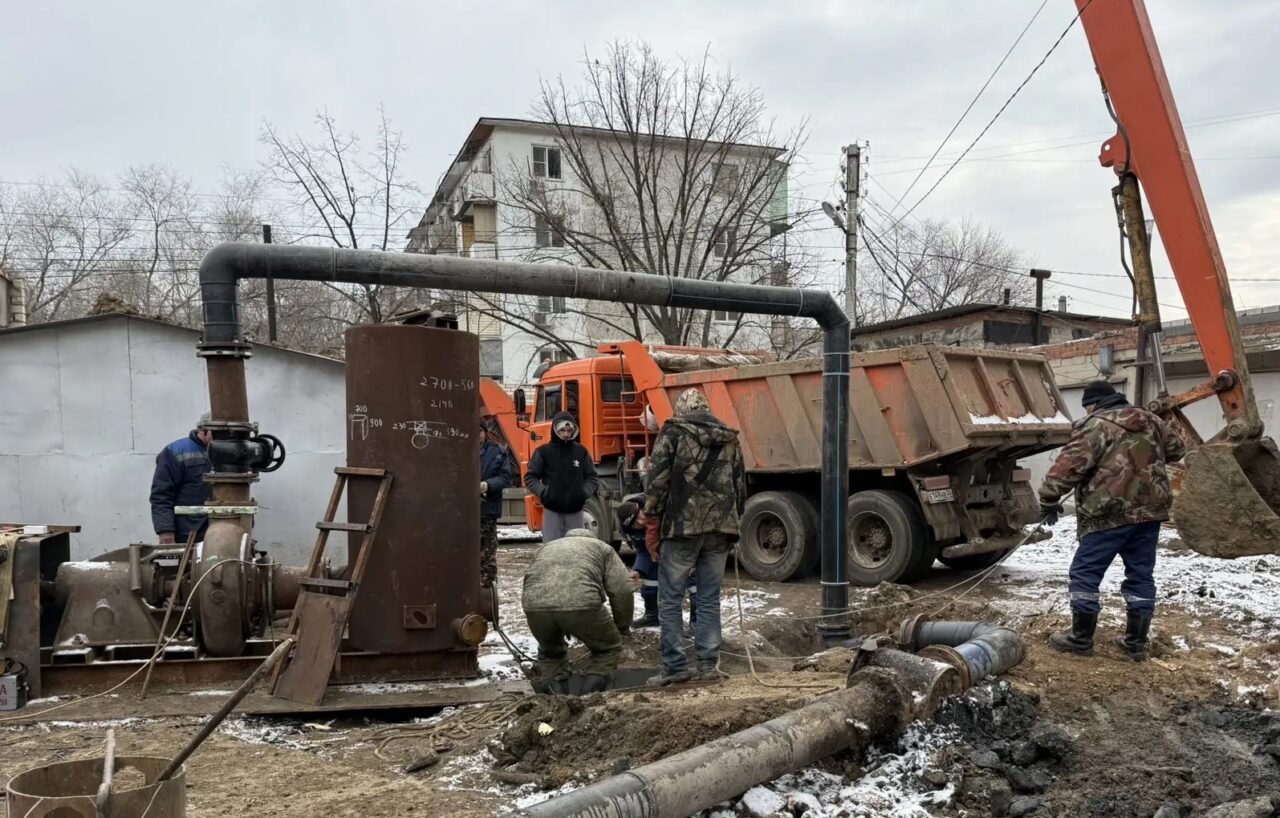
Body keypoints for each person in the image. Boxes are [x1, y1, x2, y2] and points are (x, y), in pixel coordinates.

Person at [1039, 380, 1186, 661]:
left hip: (1108, 513)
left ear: (1092, 404)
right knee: (1140, 575)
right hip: (1149, 512)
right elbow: (1178, 449)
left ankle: (1080, 639)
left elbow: (1067, 467)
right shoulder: (1152, 420)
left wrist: (1048, 499)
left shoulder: (1095, 425)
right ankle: (1135, 643)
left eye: (1087, 406)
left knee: (1085, 573)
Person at [643, 388, 747, 686]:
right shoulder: (729, 438)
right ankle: (707, 666)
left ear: (681, 410)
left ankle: (675, 666)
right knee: (708, 598)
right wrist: (733, 522)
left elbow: (657, 482)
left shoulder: (673, 432)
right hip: (720, 528)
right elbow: (740, 485)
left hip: (682, 528)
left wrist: (652, 523)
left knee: (671, 599)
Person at [521, 528, 634, 695]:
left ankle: (557, 703)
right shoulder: (603, 548)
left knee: (551, 656)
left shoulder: (546, 548)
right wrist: (622, 626)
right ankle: (587, 699)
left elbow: (531, 578)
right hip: (582, 603)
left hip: (534, 604)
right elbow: (622, 589)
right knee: (607, 649)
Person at [616, 496, 697, 631]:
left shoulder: (661, 511)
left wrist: (690, 562)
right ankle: (653, 615)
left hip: (682, 549)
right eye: (636, 523)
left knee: (694, 584)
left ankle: (697, 622)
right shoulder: (632, 531)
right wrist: (638, 570)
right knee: (649, 579)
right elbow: (643, 551)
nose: (641, 522)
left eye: (640, 516)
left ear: (643, 509)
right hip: (658, 553)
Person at [524, 412, 598, 542]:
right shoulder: (543, 452)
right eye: (562, 430)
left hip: (575, 511)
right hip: (552, 511)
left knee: (575, 548)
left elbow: (592, 477)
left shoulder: (581, 451)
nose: (566, 434)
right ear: (555, 430)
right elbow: (530, 477)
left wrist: (583, 493)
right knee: (552, 548)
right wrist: (545, 493)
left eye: (569, 431)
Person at [150, 412, 213, 545]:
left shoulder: (229, 452)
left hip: (221, 531)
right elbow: (161, 495)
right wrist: (165, 530)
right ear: (203, 430)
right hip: (188, 535)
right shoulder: (175, 452)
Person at [479, 419, 516, 589]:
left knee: (487, 553)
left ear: (485, 433)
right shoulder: (458, 450)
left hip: (487, 510)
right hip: (462, 514)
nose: (477, 435)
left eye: (480, 431)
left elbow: (505, 477)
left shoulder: (497, 452)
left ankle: (487, 589)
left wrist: (487, 485)